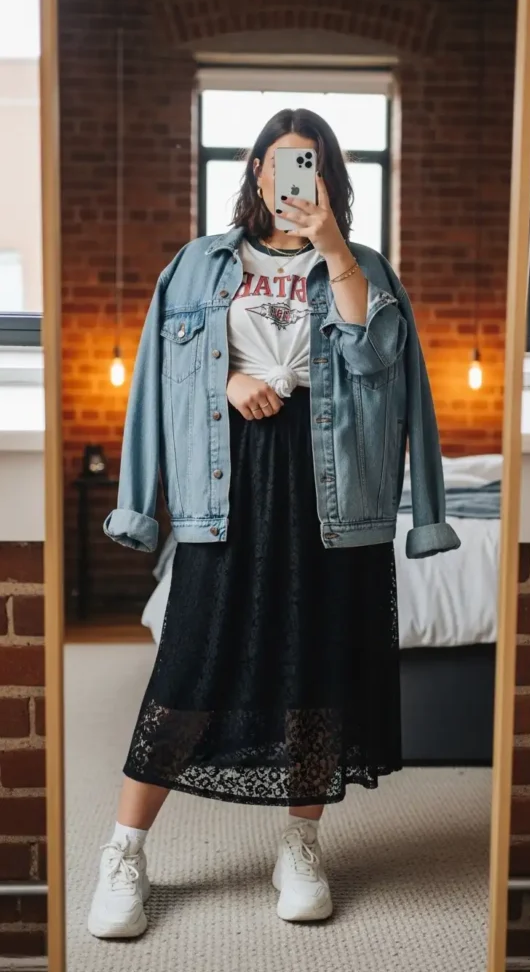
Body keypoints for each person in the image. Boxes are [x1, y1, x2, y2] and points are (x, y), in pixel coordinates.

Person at [87, 108, 460, 939]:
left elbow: (379, 365)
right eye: (281, 161)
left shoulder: (362, 266)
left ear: (329, 177)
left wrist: (331, 248)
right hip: (229, 481)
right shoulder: (195, 264)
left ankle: (299, 843)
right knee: (190, 664)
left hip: (332, 488)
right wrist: (225, 382)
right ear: (256, 170)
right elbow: (157, 379)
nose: (294, 177)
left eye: (311, 163)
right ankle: (124, 850)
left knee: (317, 664)